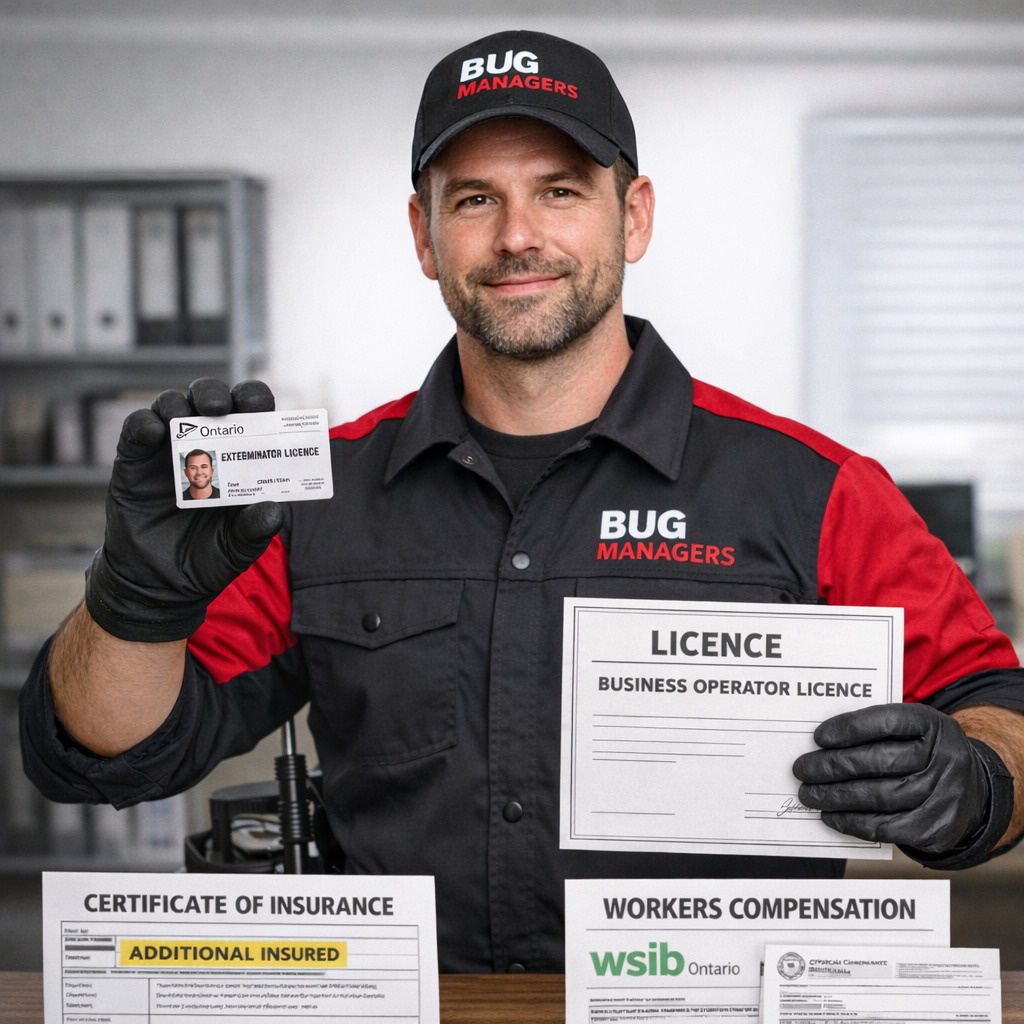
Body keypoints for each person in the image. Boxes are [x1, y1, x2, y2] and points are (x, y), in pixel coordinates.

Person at [20, 30, 1024, 974]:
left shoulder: (813, 488)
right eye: (472, 201)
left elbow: (999, 703)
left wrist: (969, 780)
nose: (516, 236)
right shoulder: (313, 492)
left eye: (558, 191)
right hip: (406, 1001)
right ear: (424, 234)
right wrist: (133, 599)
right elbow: (120, 753)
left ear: (631, 214)